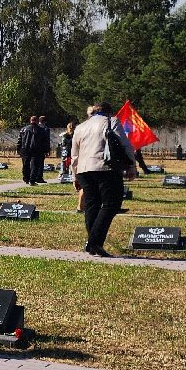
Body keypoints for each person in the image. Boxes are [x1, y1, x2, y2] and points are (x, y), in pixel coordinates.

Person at [72, 102, 138, 256]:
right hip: (105, 168)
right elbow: (125, 144)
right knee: (112, 204)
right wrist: (131, 166)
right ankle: (93, 242)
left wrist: (75, 175)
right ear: (109, 112)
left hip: (84, 169)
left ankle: (93, 243)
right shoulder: (112, 121)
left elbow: (74, 155)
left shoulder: (80, 127)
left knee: (91, 205)